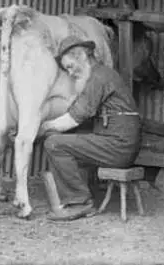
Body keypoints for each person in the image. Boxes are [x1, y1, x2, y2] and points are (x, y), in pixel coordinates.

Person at [39, 34, 142, 221]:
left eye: (70, 66)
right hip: (117, 143)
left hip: (119, 146)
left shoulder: (100, 77)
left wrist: (43, 126)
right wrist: (50, 128)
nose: (70, 73)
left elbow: (76, 116)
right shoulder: (100, 76)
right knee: (57, 137)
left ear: (80, 56)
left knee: (54, 144)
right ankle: (77, 197)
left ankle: (81, 202)